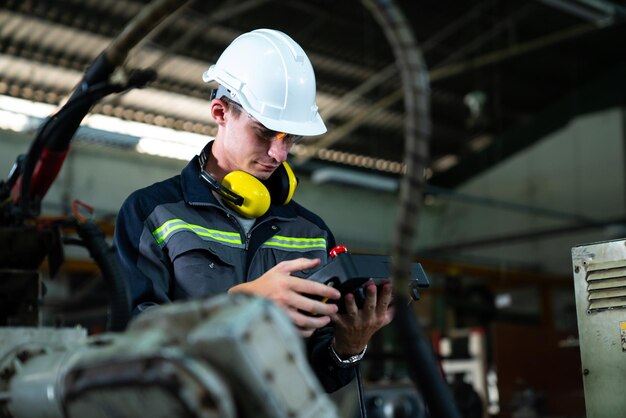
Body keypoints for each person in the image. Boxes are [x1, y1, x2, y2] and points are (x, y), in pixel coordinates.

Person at [113, 28, 393, 393]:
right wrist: (240, 303)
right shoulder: (152, 213)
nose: (280, 154)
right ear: (220, 112)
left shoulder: (311, 232)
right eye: (264, 132)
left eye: (290, 138)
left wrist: (349, 347)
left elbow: (316, 376)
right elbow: (129, 341)